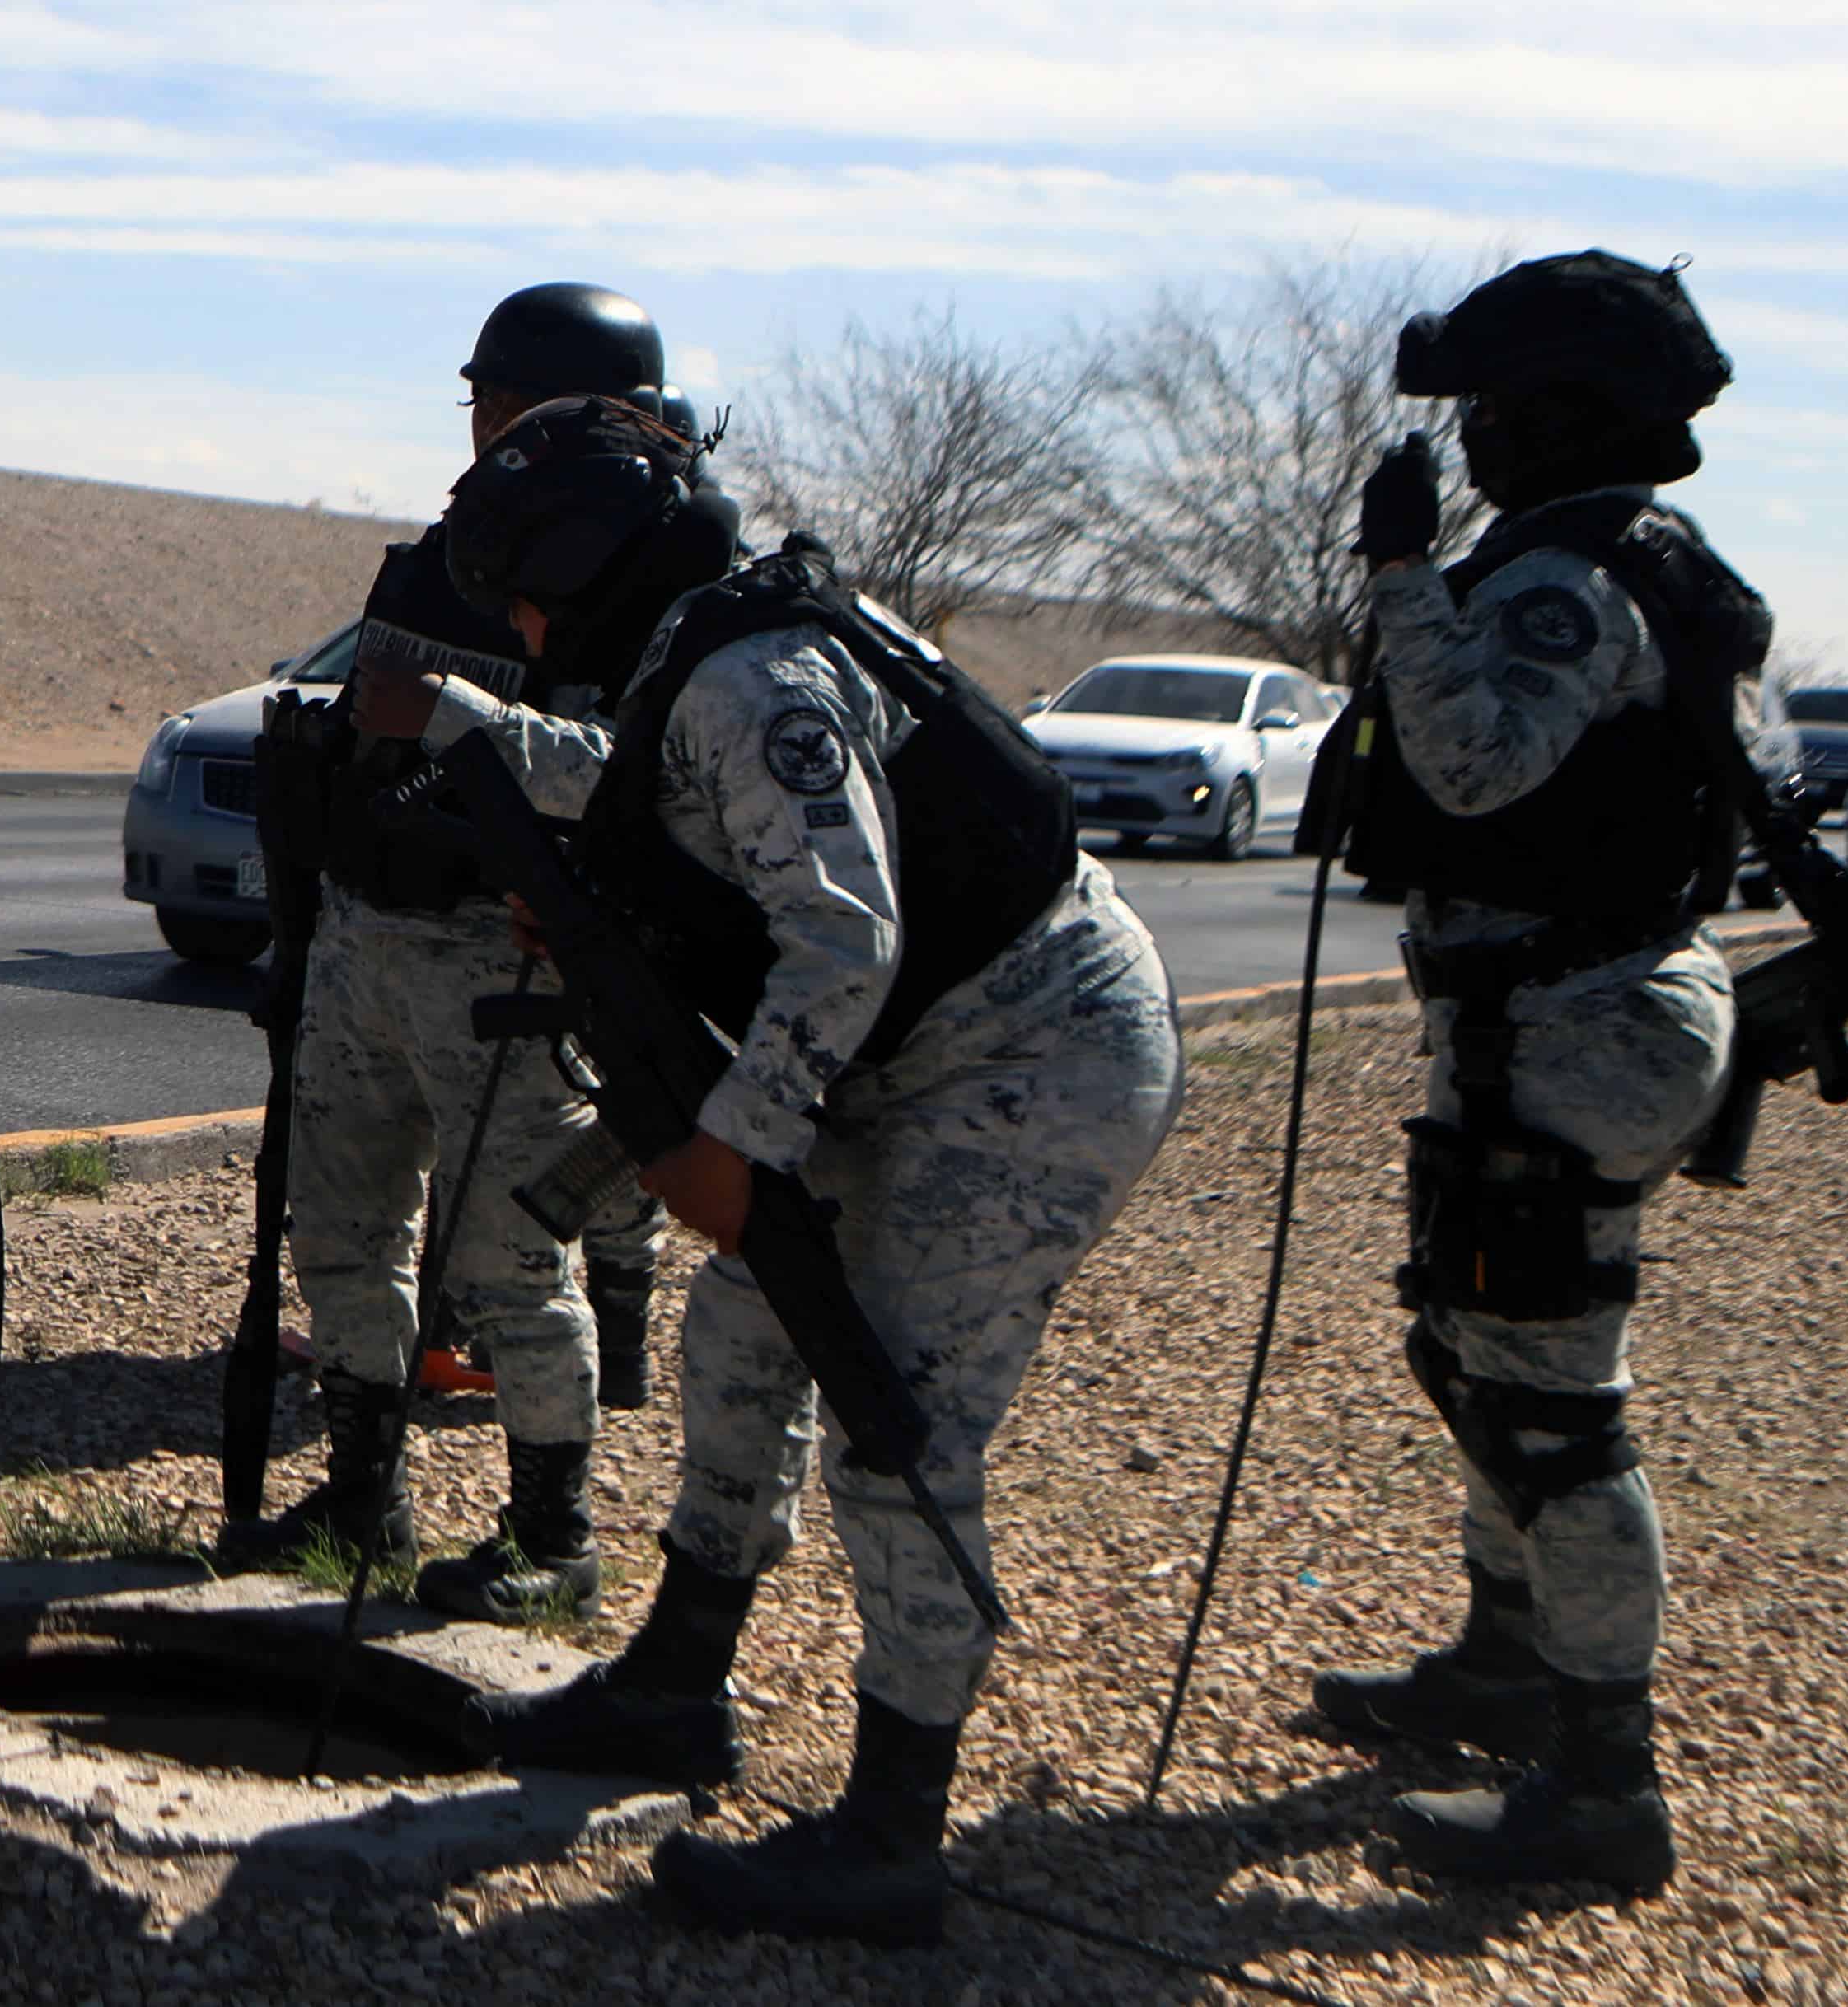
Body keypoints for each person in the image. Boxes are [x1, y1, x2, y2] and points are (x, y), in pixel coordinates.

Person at [401, 396, 1183, 1948]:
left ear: (589, 562)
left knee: (891, 1416)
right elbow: (683, 829)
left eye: (531, 594)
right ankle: (679, 1690)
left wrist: (729, 1144)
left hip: (1027, 1059)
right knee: (742, 1337)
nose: (530, 627)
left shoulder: (752, 672)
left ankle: (895, 1827)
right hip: (897, 1053)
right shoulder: (705, 646)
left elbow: (844, 930)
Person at [1303, 254, 1758, 1897]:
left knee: (1552, 1410)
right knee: (1476, 1346)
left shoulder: (1569, 580)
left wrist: (1405, 576)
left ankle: (1605, 1786)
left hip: (1575, 1023)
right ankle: (1504, 1666)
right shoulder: (1617, 562)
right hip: (1543, 1022)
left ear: (1565, 408)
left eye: (1495, 406)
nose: (1474, 434)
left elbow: (1478, 762)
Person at [236, 283, 670, 1616]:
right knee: (344, 1232)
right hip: (363, 934)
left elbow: (625, 783)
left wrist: (449, 718)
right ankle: (365, 1488)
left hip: (503, 957)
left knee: (509, 1266)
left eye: (505, 403)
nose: (482, 427)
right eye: (480, 405)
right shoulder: (448, 545)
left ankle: (551, 1533)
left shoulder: (645, 571)